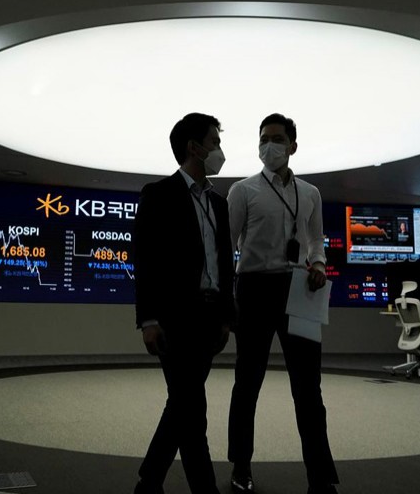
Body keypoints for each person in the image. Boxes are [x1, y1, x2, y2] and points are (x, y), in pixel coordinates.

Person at [227, 114, 339, 494]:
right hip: (254, 289)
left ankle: (320, 475)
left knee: (309, 388)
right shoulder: (242, 191)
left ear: (293, 145)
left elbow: (316, 239)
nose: (268, 146)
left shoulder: (310, 193)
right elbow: (225, 247)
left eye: (276, 139)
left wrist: (320, 264)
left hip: (298, 289)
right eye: (263, 139)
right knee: (248, 382)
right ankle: (240, 467)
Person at [133, 112, 235, 494]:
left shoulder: (218, 204)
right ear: (194, 147)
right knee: (193, 408)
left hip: (210, 319)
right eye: (214, 142)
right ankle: (202, 488)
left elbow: (225, 265)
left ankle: (149, 479)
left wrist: (227, 317)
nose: (219, 150)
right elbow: (145, 260)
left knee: (183, 403)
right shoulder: (158, 194)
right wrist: (148, 320)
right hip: (174, 319)